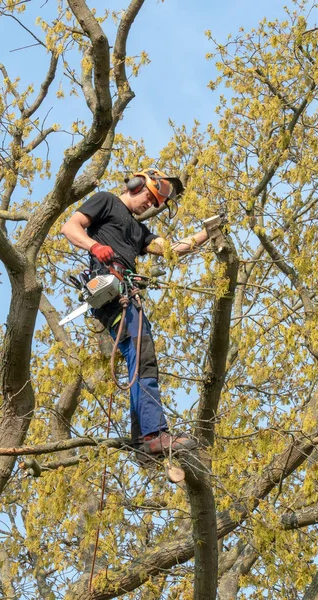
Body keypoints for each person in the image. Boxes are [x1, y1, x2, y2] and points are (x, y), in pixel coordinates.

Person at [61, 168, 222, 456]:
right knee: (143, 357)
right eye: (149, 197)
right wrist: (94, 245)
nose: (150, 204)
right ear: (135, 186)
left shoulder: (139, 231)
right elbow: (70, 227)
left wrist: (208, 232)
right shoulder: (106, 200)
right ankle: (153, 434)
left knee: (141, 358)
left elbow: (173, 249)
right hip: (112, 291)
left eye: (155, 202)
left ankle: (144, 442)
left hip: (126, 294)